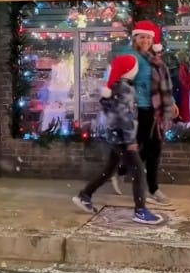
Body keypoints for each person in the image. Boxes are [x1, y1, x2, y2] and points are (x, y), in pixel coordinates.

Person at [74, 54, 164, 225]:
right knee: (138, 171)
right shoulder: (126, 89)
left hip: (113, 136)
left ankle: (85, 195)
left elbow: (112, 113)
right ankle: (140, 210)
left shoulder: (113, 88)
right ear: (130, 71)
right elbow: (125, 117)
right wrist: (131, 141)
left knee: (109, 169)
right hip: (123, 139)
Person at [108, 20, 178, 206]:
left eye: (149, 37)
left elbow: (162, 85)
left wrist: (170, 101)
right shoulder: (132, 57)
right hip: (138, 111)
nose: (146, 40)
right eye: (142, 37)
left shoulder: (153, 58)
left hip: (154, 110)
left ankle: (143, 183)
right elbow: (120, 83)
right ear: (135, 38)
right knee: (139, 149)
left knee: (153, 149)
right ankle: (139, 184)